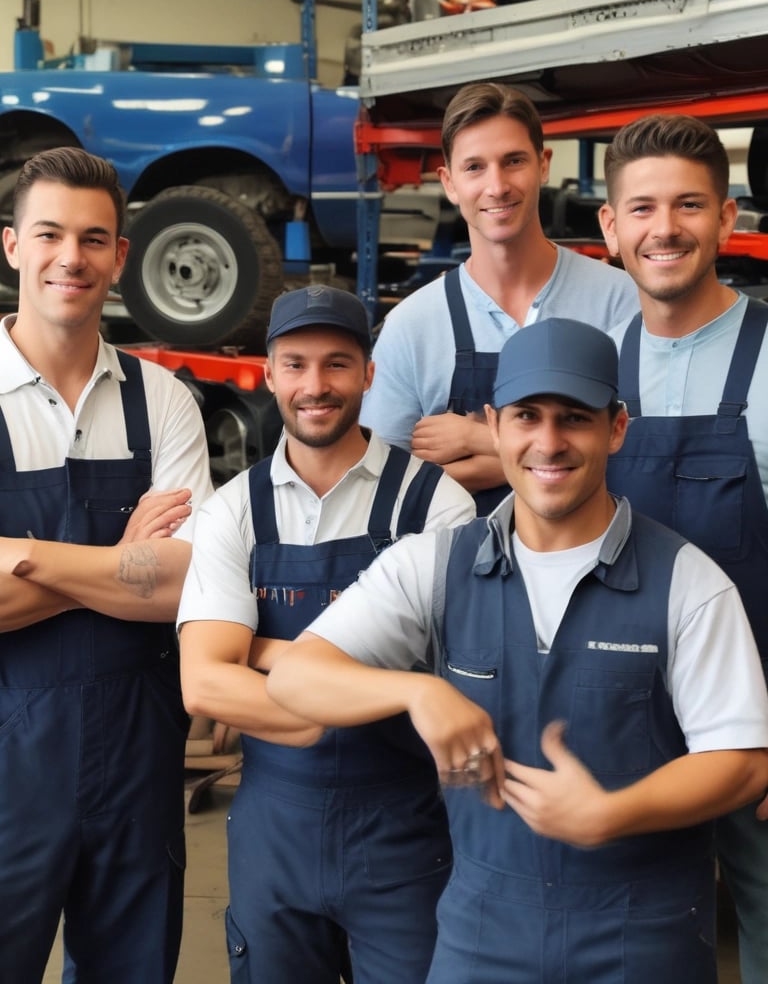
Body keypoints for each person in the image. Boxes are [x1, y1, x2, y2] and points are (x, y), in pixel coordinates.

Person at [266, 316, 768, 984]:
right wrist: (418, 690)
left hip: (641, 938)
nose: (549, 443)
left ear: (617, 428)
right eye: (527, 416)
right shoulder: (432, 566)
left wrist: (614, 812)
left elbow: (741, 761)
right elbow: (296, 677)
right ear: (495, 425)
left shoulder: (689, 583)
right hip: (481, 937)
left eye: (576, 419)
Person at [177, 284, 475, 984]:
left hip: (405, 827)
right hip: (274, 832)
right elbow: (205, 680)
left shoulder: (436, 504)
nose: (317, 385)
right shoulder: (231, 512)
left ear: (369, 373)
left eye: (338, 363)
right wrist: (352, 702)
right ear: (269, 372)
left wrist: (261, 654)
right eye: (297, 364)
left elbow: (455, 673)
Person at [0, 146, 212, 984]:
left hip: (137, 764)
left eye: (94, 238)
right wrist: (120, 562)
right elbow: (146, 575)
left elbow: (186, 580)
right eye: (49, 233)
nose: (71, 258)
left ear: (122, 256)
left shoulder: (162, 399)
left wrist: (27, 561)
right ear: (12, 245)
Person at [597, 112, 768, 984]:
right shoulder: (592, 369)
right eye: (644, 209)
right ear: (611, 227)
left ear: (727, 219)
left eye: (689, 206)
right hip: (623, 725)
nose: (665, 229)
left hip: (754, 728)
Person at [361, 81, 639, 513]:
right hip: (453, 574)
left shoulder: (619, 302)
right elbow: (379, 483)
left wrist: (482, 449)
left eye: (513, 161)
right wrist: (555, 461)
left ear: (543, 165)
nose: (497, 186)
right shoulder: (413, 326)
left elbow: (644, 455)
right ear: (449, 183)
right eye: (475, 167)